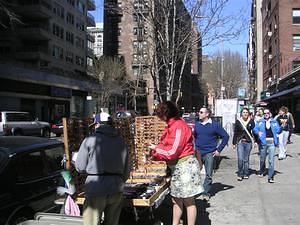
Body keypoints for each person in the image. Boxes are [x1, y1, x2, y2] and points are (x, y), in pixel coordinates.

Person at [148, 101, 203, 225]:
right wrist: (155, 155)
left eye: (160, 115)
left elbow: (172, 151)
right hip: (178, 167)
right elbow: (165, 145)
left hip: (185, 167)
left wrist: (156, 149)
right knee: (176, 200)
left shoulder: (178, 126)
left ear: (166, 114)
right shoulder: (171, 126)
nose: (160, 119)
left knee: (189, 201)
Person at [75, 112, 129, 225]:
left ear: (97, 124)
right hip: (116, 187)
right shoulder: (121, 141)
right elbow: (126, 170)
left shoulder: (90, 140)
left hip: (96, 187)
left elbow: (80, 167)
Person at [194, 107, 229, 200]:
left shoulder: (215, 125)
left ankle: (205, 192)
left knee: (208, 174)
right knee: (194, 173)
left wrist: (219, 150)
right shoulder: (197, 125)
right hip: (197, 152)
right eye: (199, 112)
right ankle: (195, 192)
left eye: (201, 112)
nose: (199, 113)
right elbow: (195, 137)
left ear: (207, 114)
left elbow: (225, 136)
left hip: (210, 153)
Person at [253, 108, 281, 183]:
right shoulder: (260, 122)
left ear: (270, 113)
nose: (266, 114)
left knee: (271, 160)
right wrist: (258, 132)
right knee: (262, 159)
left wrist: (282, 126)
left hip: (272, 143)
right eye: (265, 113)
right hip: (263, 143)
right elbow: (254, 129)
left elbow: (278, 130)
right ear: (263, 114)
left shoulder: (274, 121)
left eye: (267, 113)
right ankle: (262, 170)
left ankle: (270, 177)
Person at [232, 108, 256, 181]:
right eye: (243, 112)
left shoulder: (251, 121)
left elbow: (254, 132)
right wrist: (233, 142)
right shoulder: (238, 121)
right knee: (240, 159)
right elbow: (235, 132)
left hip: (248, 142)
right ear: (241, 113)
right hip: (240, 142)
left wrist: (255, 142)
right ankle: (240, 174)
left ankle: (246, 173)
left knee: (246, 159)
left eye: (246, 112)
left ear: (248, 114)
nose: (245, 113)